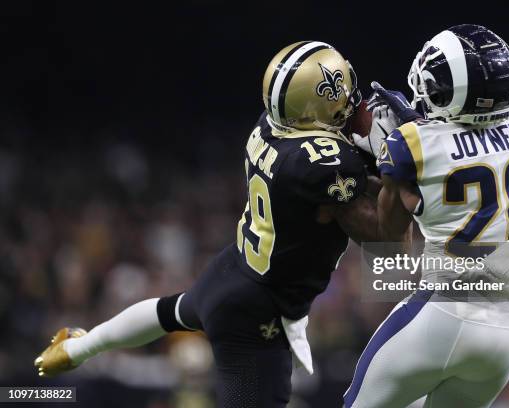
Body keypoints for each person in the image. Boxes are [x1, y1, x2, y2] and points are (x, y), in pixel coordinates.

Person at [35, 41, 395, 407]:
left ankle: (77, 347)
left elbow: (328, 165)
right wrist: (394, 164)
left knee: (172, 310)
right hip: (258, 315)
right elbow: (383, 234)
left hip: (233, 271)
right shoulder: (323, 164)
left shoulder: (270, 127)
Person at [344, 24, 509, 408]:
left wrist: (386, 157)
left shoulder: (412, 145)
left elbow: (390, 239)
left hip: (441, 314)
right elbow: (478, 144)